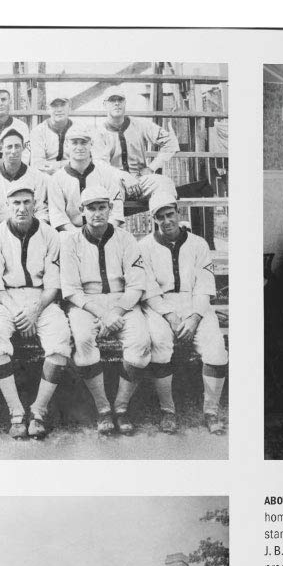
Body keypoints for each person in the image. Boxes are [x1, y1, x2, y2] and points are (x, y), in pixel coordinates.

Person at [129, 200, 229, 435]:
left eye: (170, 214)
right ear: (154, 218)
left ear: (178, 212)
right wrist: (171, 317)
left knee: (216, 351)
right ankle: (168, 411)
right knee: (160, 344)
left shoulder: (198, 244)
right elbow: (148, 288)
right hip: (160, 306)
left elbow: (205, 285)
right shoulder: (144, 246)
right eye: (160, 216)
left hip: (195, 303)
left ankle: (211, 411)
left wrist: (194, 317)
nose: (167, 221)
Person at [0, 178, 70, 439]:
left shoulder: (50, 234)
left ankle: (39, 410)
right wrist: (16, 310)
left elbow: (54, 285)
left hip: (41, 299)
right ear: (8, 206)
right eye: (16, 203)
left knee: (60, 339)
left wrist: (34, 310)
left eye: (27, 202)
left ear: (35, 205)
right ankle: (16, 411)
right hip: (5, 298)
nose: (22, 208)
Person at [56, 193, 144, 436]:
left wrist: (114, 312)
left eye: (102, 207)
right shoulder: (71, 242)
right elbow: (71, 290)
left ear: (110, 208)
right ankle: (103, 408)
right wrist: (102, 314)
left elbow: (136, 284)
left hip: (122, 301)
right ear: (82, 210)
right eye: (91, 208)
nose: (97, 213)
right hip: (86, 302)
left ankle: (121, 407)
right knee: (83, 339)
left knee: (142, 343)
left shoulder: (126, 239)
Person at [93, 91, 179, 216]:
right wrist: (123, 176)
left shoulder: (140, 124)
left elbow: (170, 142)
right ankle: (115, 231)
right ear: (104, 104)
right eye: (112, 100)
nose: (117, 103)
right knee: (111, 192)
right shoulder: (98, 132)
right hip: (115, 181)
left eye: (120, 100)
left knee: (165, 183)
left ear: (125, 103)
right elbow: (100, 164)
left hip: (140, 180)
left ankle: (166, 228)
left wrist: (152, 167)